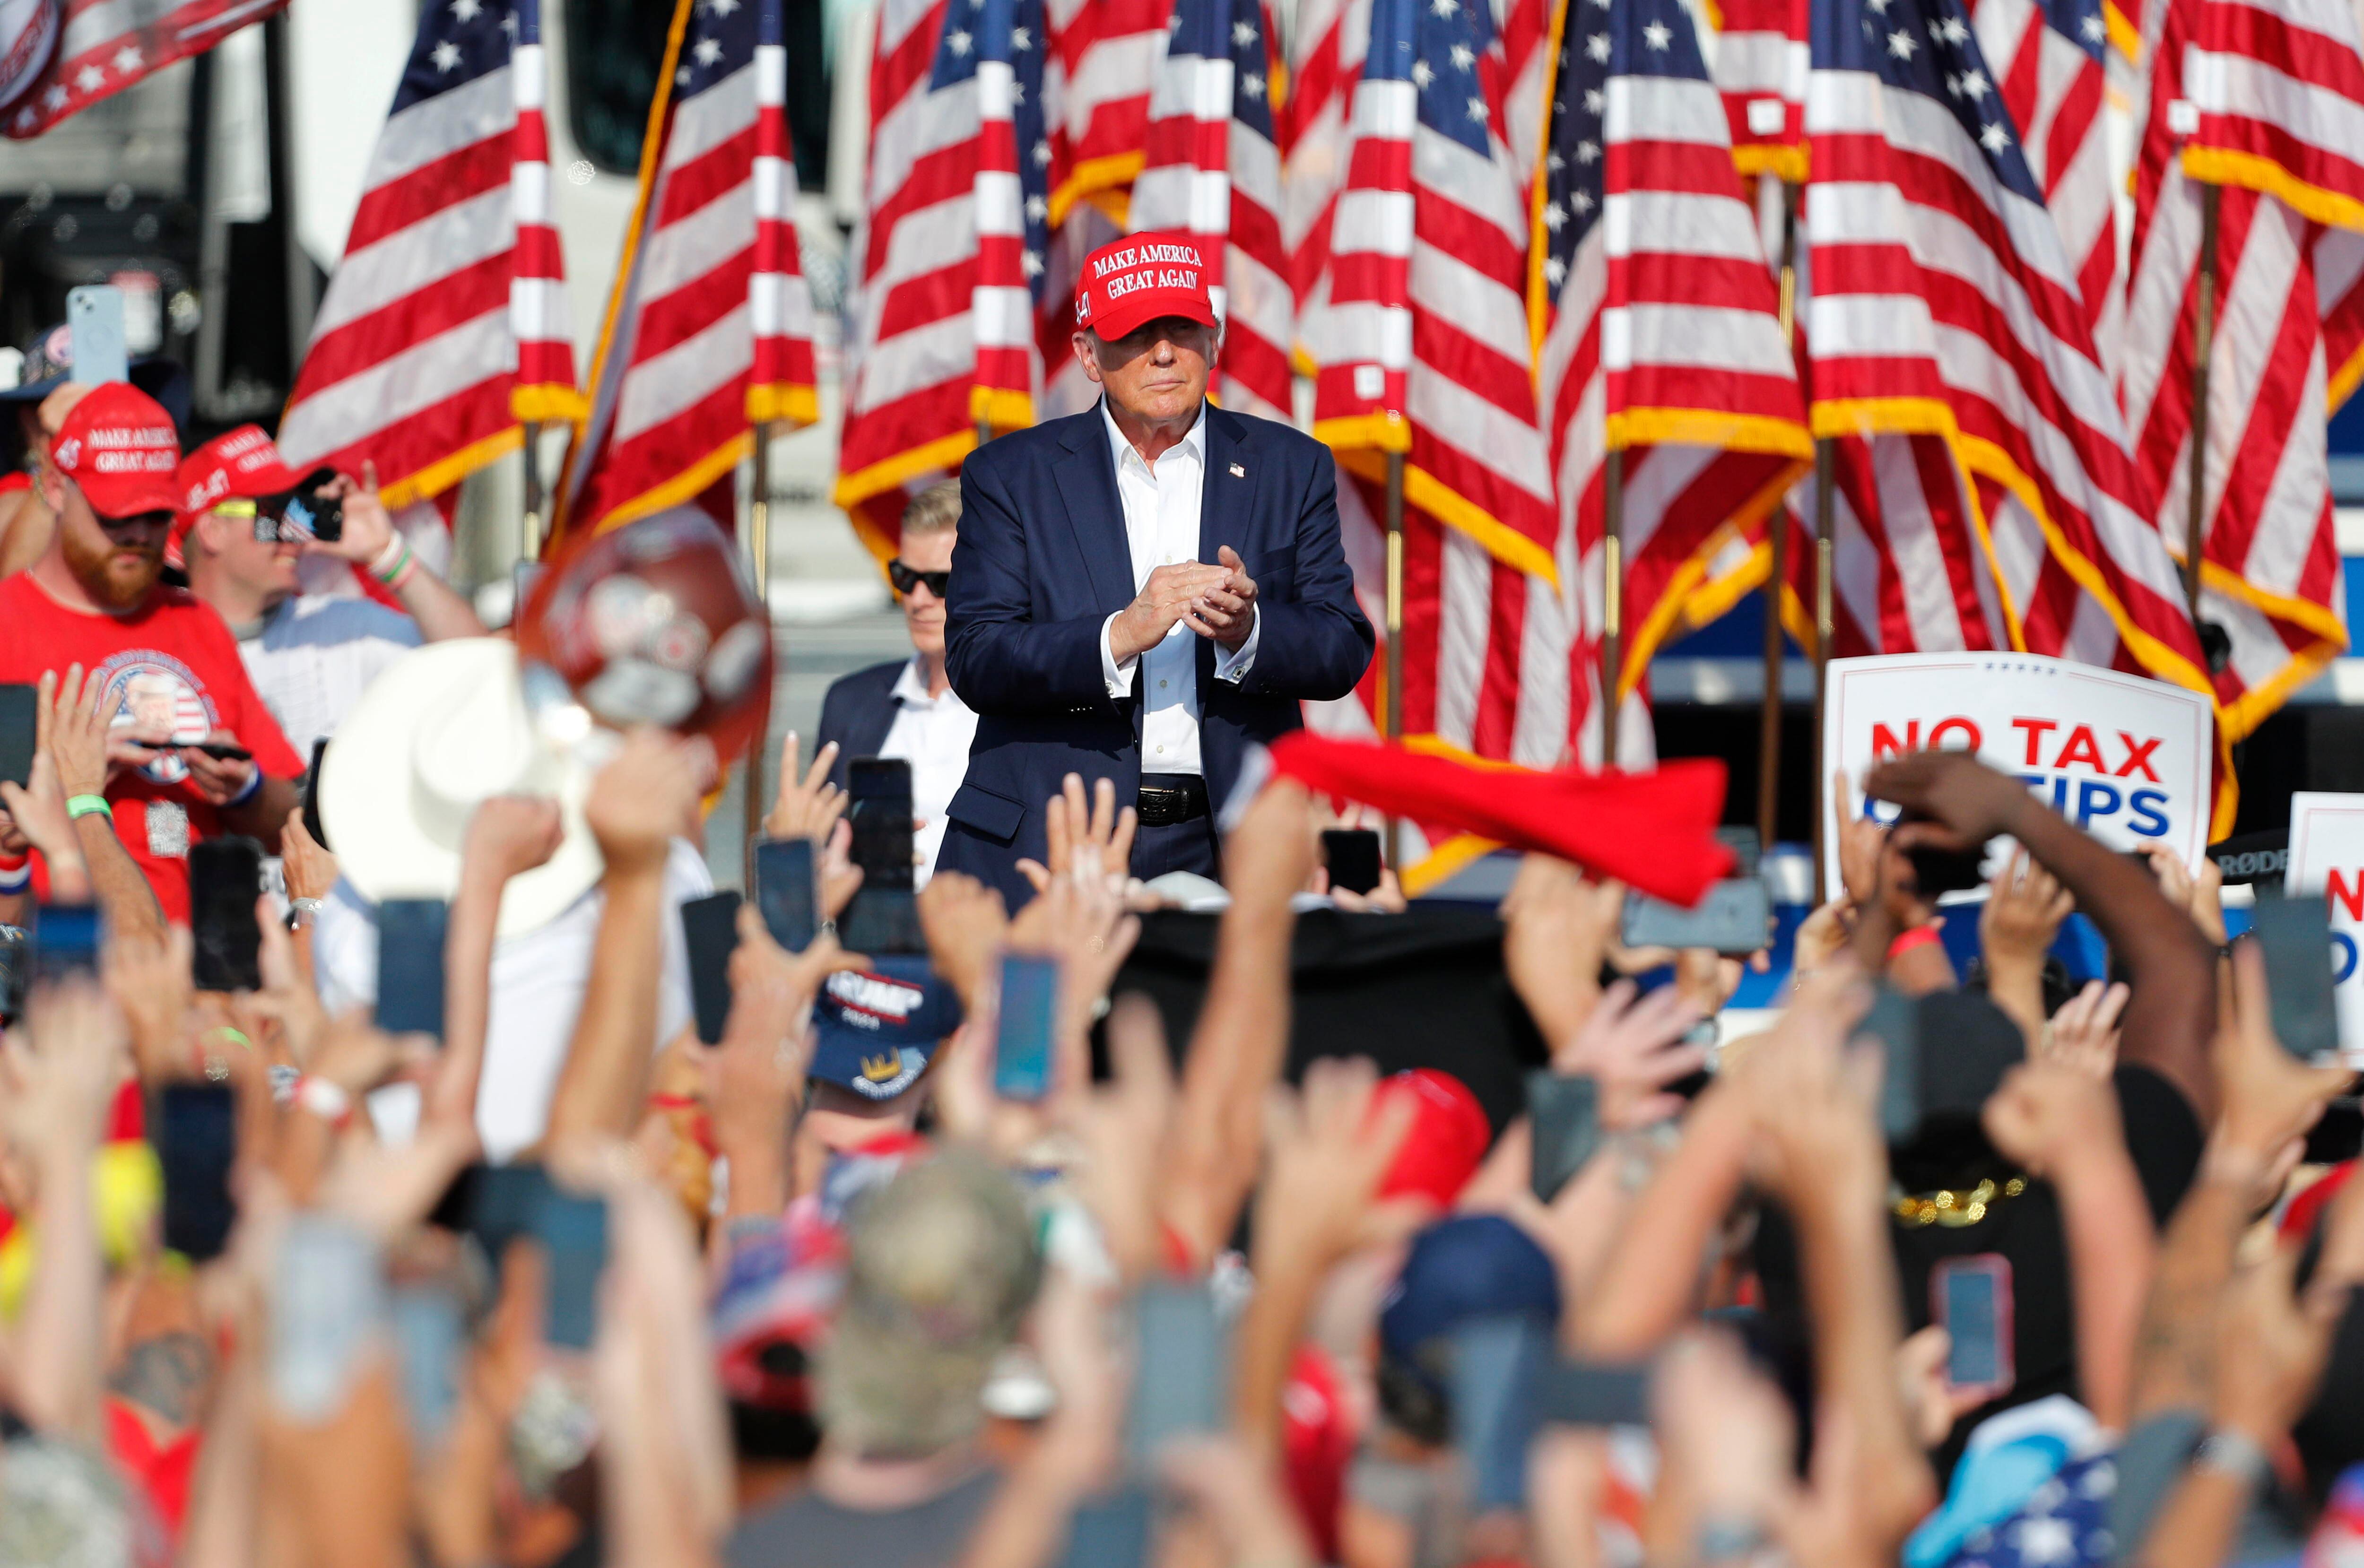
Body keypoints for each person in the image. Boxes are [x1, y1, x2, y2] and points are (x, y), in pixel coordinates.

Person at [939, 232, 1373, 905]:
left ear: (1214, 342)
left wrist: (1249, 632)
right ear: (1088, 355)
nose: (1164, 352)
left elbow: (1341, 644)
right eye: (1137, 334)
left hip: (1229, 842)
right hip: (1058, 836)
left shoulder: (1290, 466)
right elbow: (976, 655)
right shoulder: (1011, 475)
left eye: (1182, 330)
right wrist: (1118, 633)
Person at [0, 382, 302, 922]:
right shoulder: (8, 620)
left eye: (158, 514)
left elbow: (290, 825)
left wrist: (245, 788)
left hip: (191, 958)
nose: (139, 534)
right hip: (55, 959)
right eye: (116, 514)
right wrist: (71, 780)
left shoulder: (196, 620)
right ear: (57, 489)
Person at [173, 424, 484, 758]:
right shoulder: (157, 644)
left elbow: (481, 666)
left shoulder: (342, 627)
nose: (296, 532)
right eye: (275, 514)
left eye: (301, 512)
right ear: (213, 532)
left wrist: (387, 554)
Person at [814, 479, 977, 883]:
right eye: (904, 576)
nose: (918, 599)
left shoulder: (1026, 708)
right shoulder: (849, 701)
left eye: (940, 582)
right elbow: (820, 846)